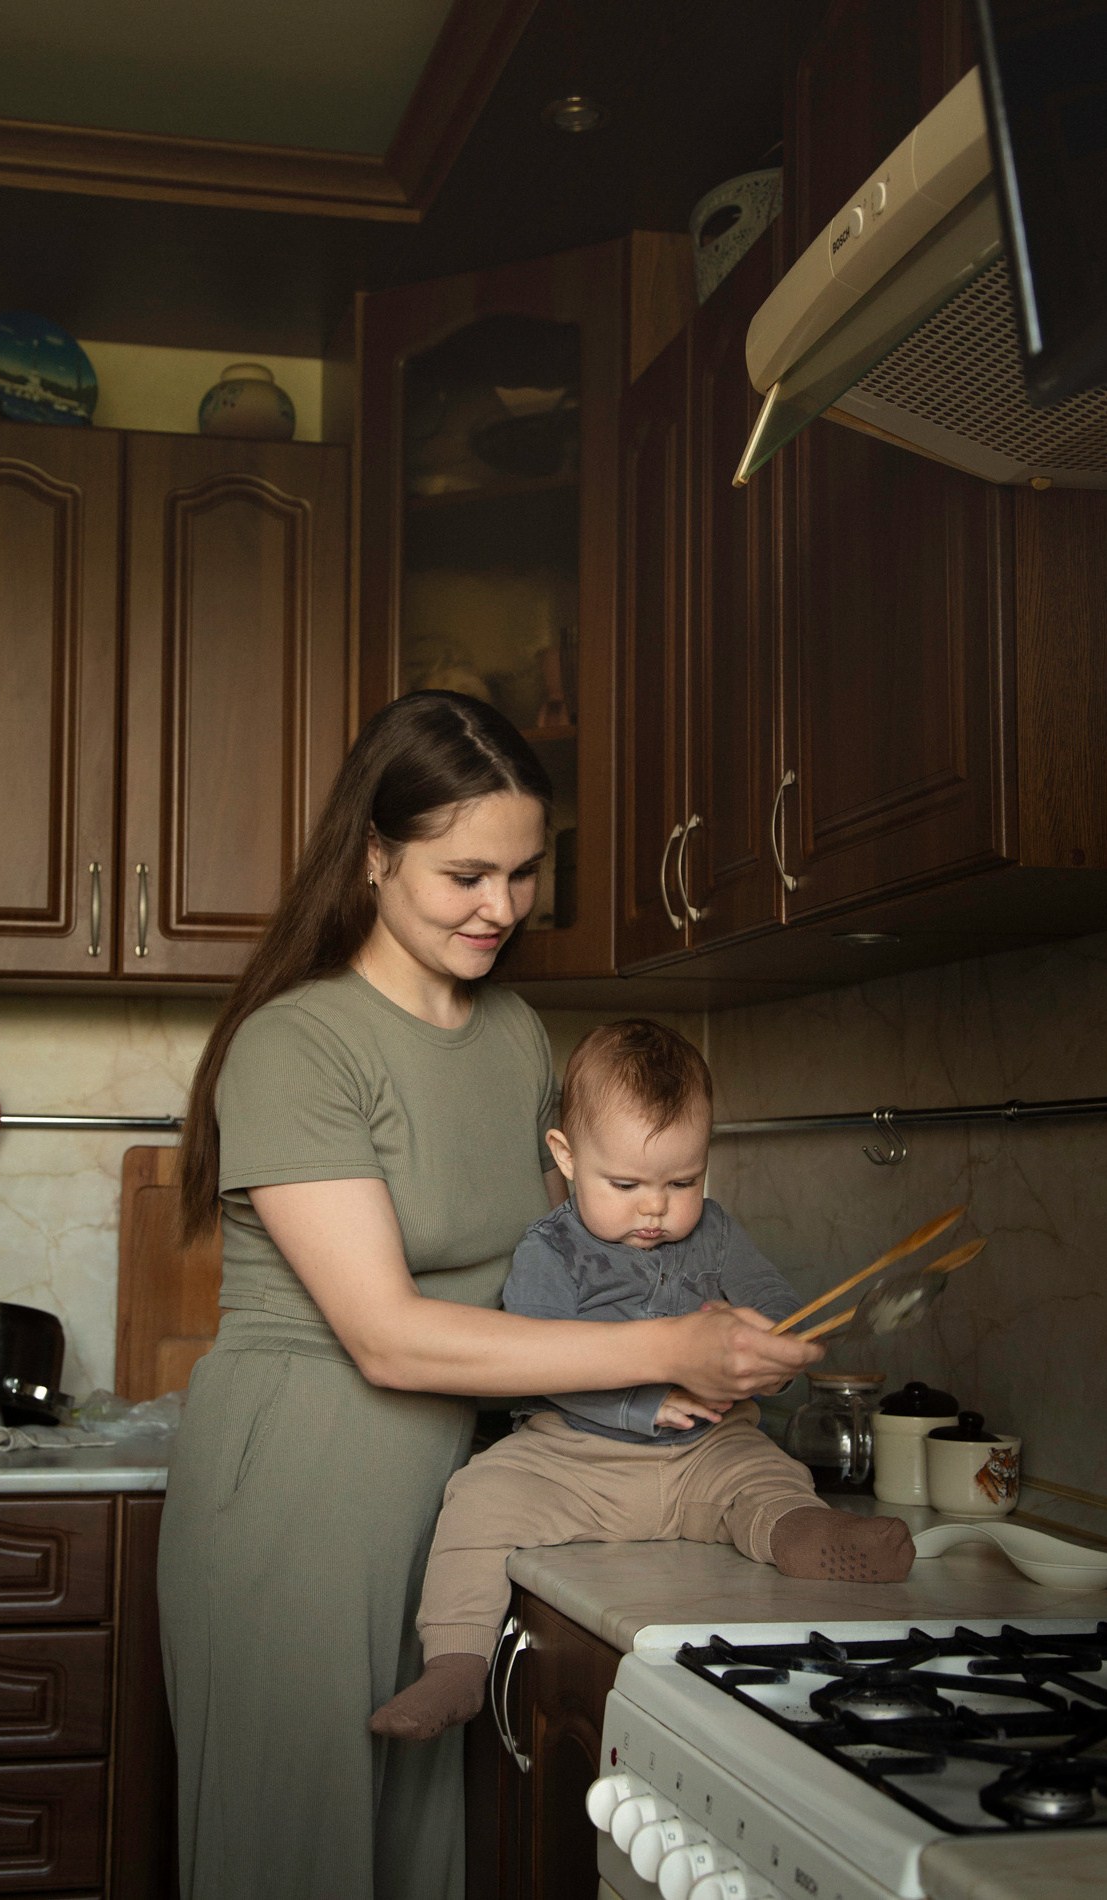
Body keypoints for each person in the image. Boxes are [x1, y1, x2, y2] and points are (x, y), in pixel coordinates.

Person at [158, 691, 824, 1900]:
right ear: (372, 853)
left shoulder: (516, 1032)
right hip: (299, 1491)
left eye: (524, 874)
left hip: (462, 1487)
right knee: (293, 1857)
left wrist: (710, 1343)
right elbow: (389, 1337)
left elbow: (574, 1263)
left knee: (419, 1858)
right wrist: (663, 1347)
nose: (501, 908)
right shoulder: (296, 1044)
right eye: (466, 872)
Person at [371, 1019, 916, 1744]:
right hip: (572, 1461)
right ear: (565, 1157)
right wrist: (641, 1401)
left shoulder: (715, 1232)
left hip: (704, 1453)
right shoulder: (549, 1249)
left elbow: (776, 1301)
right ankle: (454, 1664)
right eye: (624, 1184)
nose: (654, 1207)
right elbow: (541, 1357)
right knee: (477, 1500)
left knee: (765, 1473)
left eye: (681, 1181)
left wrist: (780, 1339)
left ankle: (809, 1534)